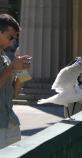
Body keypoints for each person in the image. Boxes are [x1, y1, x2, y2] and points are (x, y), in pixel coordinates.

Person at [0, 14, 32, 149]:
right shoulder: (9, 61)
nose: (13, 41)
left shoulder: (6, 58)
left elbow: (13, 94)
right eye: (10, 37)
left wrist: (22, 72)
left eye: (15, 38)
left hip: (10, 122)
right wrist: (12, 66)